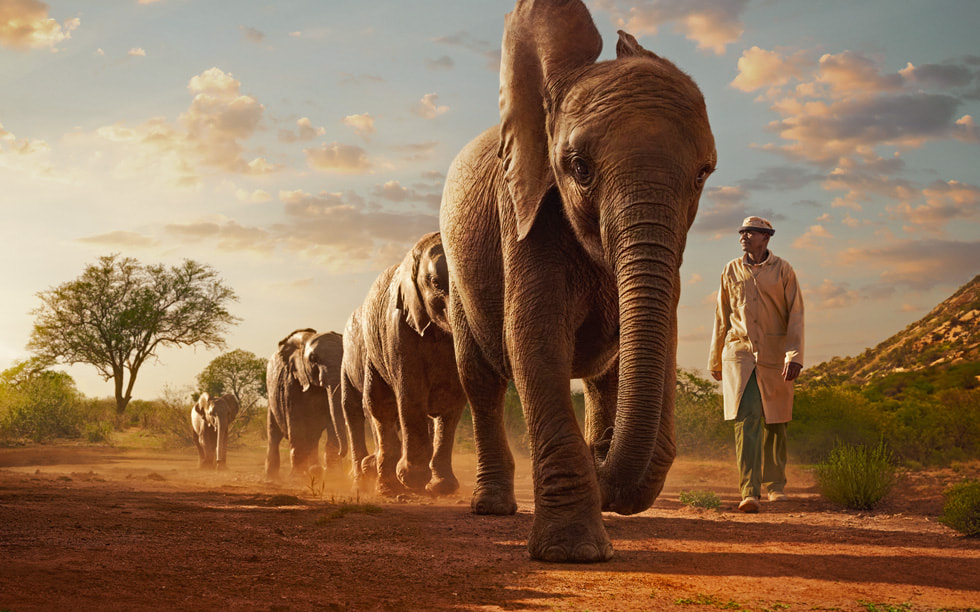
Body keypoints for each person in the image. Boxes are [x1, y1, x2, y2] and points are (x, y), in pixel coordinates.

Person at [708, 216, 804, 513]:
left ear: (766, 237)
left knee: (776, 420)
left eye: (750, 232)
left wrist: (794, 356)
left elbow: (796, 314)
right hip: (740, 354)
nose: (744, 237)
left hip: (776, 355)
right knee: (746, 418)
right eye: (742, 232)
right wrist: (715, 358)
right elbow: (722, 315)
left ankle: (775, 485)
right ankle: (749, 491)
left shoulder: (783, 270)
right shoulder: (730, 270)